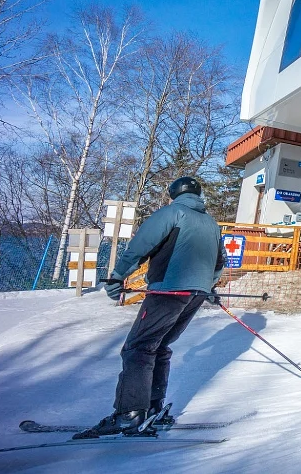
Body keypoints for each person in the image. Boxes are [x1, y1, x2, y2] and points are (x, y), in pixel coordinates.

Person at [75, 177, 224, 439]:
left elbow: (140, 246)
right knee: (159, 346)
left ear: (174, 193)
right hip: (195, 294)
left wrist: (118, 275)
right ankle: (153, 407)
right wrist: (208, 287)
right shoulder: (211, 224)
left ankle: (129, 414)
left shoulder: (172, 213)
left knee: (139, 347)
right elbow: (219, 262)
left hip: (168, 290)